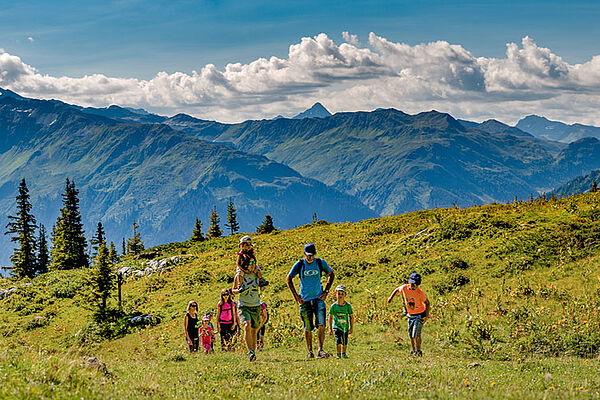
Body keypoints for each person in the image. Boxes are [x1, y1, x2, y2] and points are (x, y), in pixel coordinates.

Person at [286, 243, 335, 359]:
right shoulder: (300, 264)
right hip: (305, 300)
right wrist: (296, 296)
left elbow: (331, 274)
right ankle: (310, 351)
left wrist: (326, 291)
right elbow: (289, 279)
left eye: (312, 255)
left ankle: (320, 350)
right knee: (307, 327)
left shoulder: (320, 262)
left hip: (318, 298)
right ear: (304, 254)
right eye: (308, 255)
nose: (310, 257)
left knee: (322, 324)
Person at [387, 272, 431, 357]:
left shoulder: (420, 293)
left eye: (414, 284)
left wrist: (426, 316)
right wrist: (391, 297)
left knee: (416, 334)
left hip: (420, 315)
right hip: (410, 315)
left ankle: (418, 351)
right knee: (411, 334)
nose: (412, 286)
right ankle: (414, 351)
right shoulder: (404, 288)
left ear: (418, 285)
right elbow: (397, 290)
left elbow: (427, 303)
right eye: (411, 283)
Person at [232, 258, 263, 362]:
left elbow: (262, 288)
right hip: (244, 305)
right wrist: (239, 290)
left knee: (254, 330)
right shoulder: (239, 276)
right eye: (250, 263)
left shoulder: (256, 274)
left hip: (256, 304)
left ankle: (253, 353)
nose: (253, 265)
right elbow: (233, 290)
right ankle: (250, 351)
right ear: (245, 264)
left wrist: (263, 286)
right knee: (246, 325)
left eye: (254, 263)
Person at [328, 285, 354, 359]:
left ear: (345, 295)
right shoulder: (333, 306)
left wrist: (351, 327)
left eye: (342, 294)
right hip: (336, 326)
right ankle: (338, 354)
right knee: (338, 340)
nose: (340, 296)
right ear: (335, 294)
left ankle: (344, 353)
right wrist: (330, 328)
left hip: (345, 327)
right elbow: (330, 317)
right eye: (338, 293)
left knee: (345, 341)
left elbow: (351, 317)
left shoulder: (348, 306)